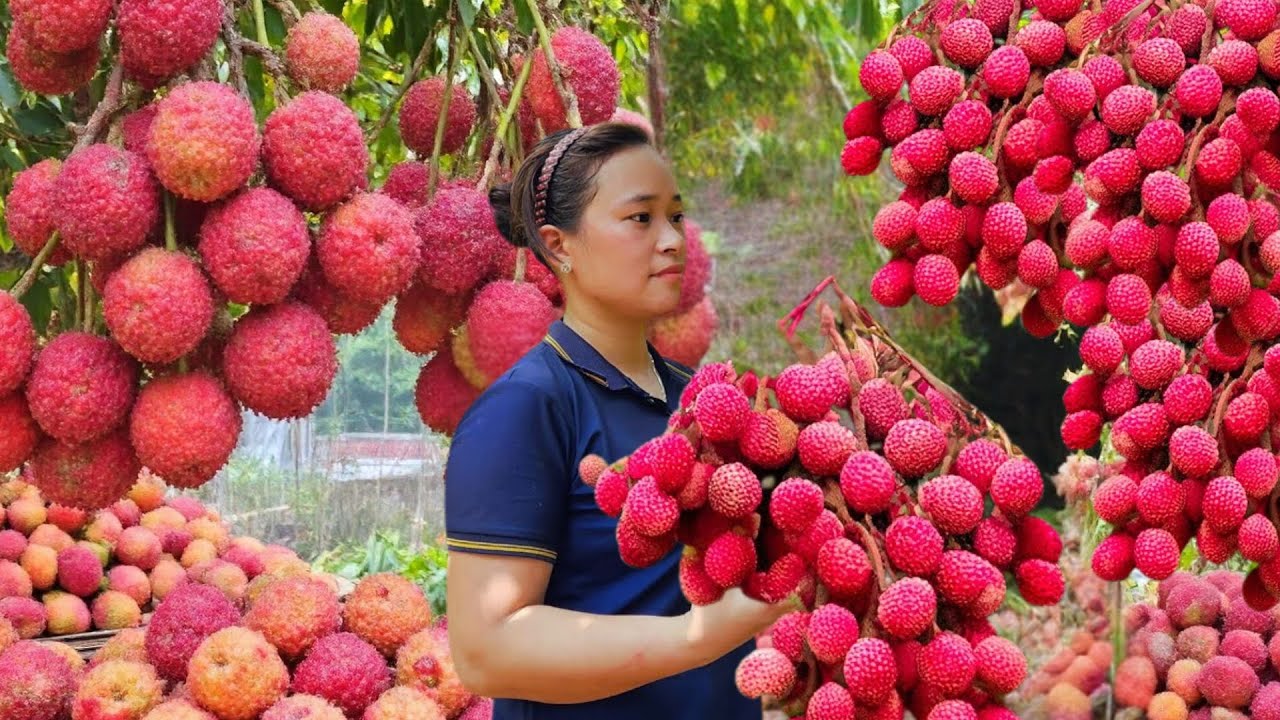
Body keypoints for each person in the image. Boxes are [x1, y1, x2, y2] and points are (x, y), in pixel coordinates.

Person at [443, 122, 793, 719]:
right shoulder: (525, 407)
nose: (672, 240)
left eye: (676, 217)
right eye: (640, 218)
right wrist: (698, 638)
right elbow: (486, 652)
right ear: (559, 246)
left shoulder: (700, 401)